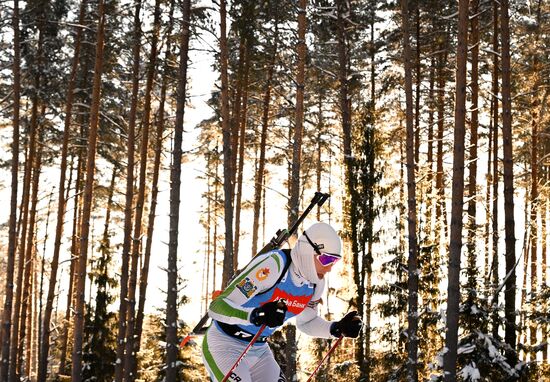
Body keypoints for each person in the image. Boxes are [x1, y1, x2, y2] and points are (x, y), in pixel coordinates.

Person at [201, 222, 363, 382]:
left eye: (334, 262)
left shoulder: (315, 284)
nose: (329, 269)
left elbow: (307, 322)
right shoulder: (274, 265)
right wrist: (255, 315)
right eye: (327, 259)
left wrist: (335, 328)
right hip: (224, 345)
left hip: (259, 350)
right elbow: (217, 307)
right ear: (308, 250)